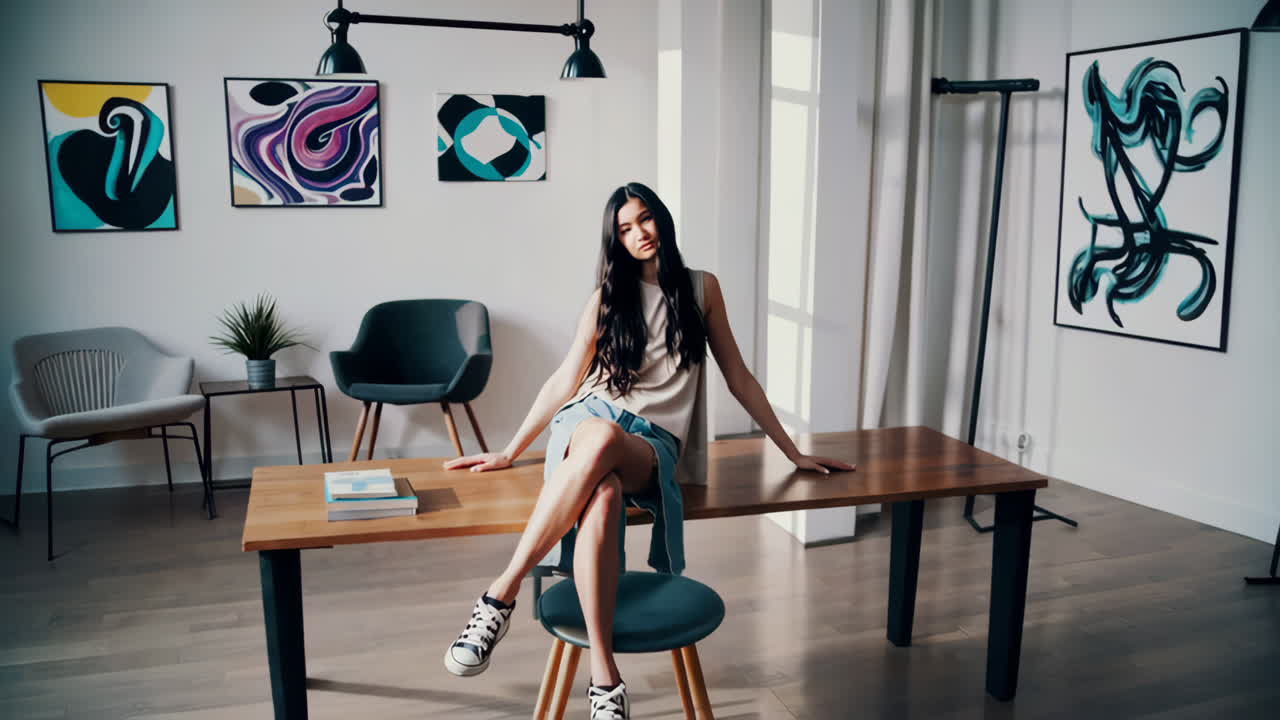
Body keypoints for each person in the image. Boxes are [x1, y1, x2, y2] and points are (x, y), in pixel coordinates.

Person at [441, 181, 855, 719]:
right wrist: (509, 449)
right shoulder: (607, 298)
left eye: (646, 220)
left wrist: (792, 451)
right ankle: (605, 680)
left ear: (662, 218)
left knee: (605, 441)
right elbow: (566, 379)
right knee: (604, 493)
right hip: (586, 426)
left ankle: (500, 594)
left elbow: (739, 378)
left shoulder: (702, 289)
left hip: (649, 443)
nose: (640, 234)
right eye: (625, 228)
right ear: (614, 239)